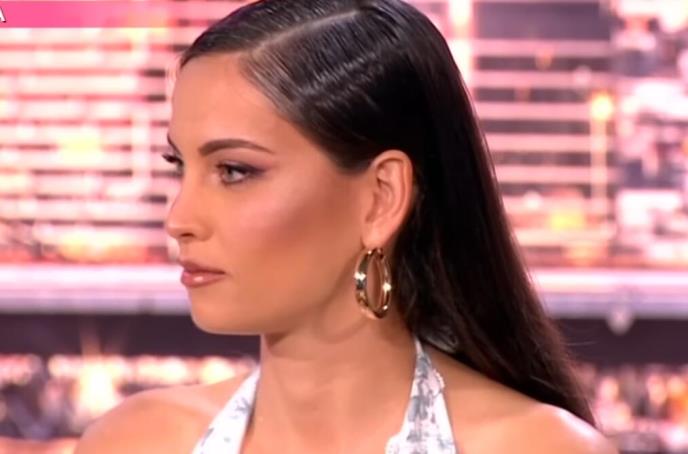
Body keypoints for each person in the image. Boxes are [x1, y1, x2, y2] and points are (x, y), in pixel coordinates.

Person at [76, 0, 618, 452]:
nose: (179, 219)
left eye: (235, 171)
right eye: (179, 166)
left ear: (381, 198)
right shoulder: (134, 443)